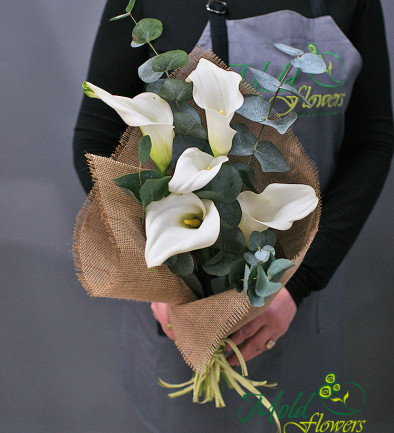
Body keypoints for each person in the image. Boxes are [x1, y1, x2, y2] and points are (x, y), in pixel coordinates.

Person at [73, 0, 393, 431]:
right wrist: (164, 281)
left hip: (296, 306)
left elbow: (373, 136)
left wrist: (300, 282)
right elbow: (96, 133)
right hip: (178, 310)